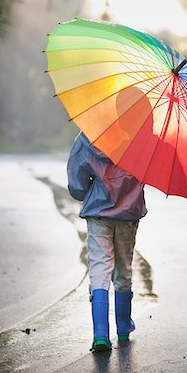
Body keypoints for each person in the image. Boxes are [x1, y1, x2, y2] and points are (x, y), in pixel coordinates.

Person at [67, 131, 147, 352]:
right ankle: (123, 328)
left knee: (99, 269)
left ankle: (100, 334)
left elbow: (77, 185)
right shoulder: (144, 139)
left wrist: (92, 186)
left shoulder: (89, 135)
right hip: (128, 214)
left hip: (98, 214)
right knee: (123, 268)